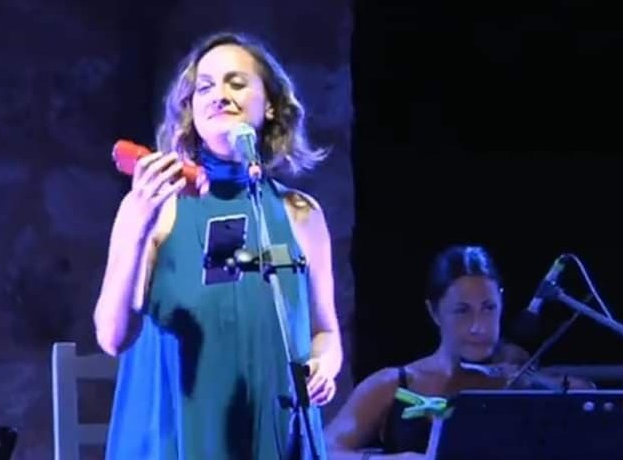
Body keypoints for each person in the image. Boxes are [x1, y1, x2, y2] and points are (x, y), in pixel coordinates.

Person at [93, 31, 343, 460]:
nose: (219, 95)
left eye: (236, 83)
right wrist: (138, 225)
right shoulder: (155, 208)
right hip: (178, 436)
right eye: (205, 87)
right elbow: (112, 337)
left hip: (274, 433)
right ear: (191, 110)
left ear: (270, 105)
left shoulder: (301, 214)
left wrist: (324, 365)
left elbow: (326, 331)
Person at [324, 245, 593, 459]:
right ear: (434, 312)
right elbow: (322, 451)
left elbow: (588, 414)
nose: (478, 326)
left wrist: (534, 383)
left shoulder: (518, 382)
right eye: (462, 311)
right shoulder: (393, 384)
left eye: (488, 308)